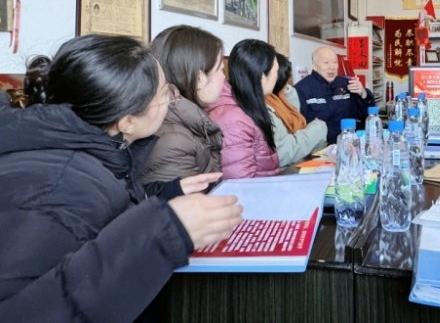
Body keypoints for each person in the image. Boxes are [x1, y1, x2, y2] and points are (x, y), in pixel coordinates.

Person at [0, 34, 242, 321]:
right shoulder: (58, 186)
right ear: (127, 121)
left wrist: (163, 198)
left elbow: (91, 233)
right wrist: (163, 231)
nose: (171, 100)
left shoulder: (92, 152)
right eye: (165, 93)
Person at [141, 26, 225, 191]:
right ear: (199, 79)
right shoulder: (173, 142)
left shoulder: (178, 119)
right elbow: (193, 205)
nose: (224, 77)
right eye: (221, 69)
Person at [209, 39, 281, 179]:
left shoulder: (247, 102)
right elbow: (240, 183)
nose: (277, 77)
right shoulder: (234, 119)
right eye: (276, 71)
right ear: (262, 76)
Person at [295, 46, 375, 144]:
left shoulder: (347, 84)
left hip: (349, 141)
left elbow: (368, 116)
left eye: (335, 62)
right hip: (320, 146)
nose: (332, 67)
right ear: (314, 66)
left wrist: (363, 93)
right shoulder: (301, 89)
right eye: (326, 62)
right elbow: (299, 128)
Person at [266, 53, 327, 167]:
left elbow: (293, 114)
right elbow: (280, 154)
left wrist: (287, 91)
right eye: (326, 62)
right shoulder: (265, 108)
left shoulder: (280, 97)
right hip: (285, 170)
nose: (331, 67)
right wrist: (318, 129)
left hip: (299, 162)